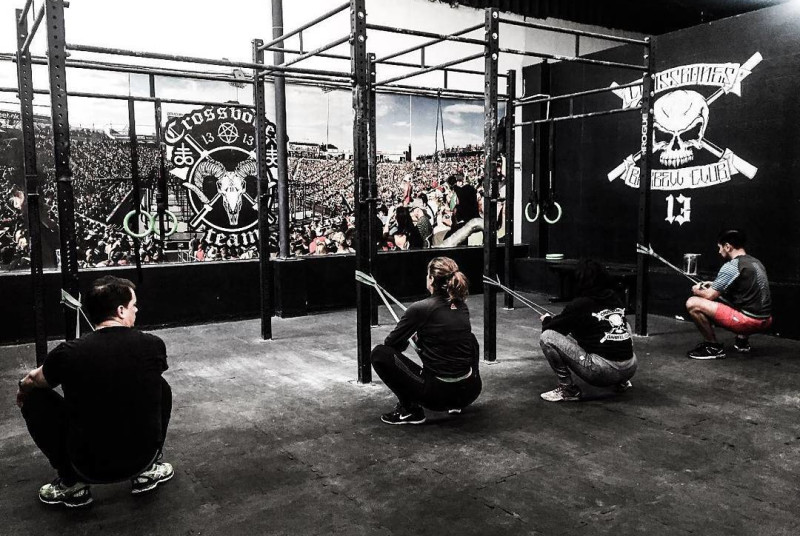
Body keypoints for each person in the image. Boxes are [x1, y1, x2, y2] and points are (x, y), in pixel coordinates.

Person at [16, 276, 173, 507]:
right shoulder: (153, 344)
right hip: (140, 459)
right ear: (121, 311)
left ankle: (72, 484)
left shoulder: (67, 353)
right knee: (160, 386)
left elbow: (32, 380)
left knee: (33, 397)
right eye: (133, 305)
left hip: (86, 466)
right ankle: (147, 471)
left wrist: (23, 389)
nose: (136, 310)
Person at [370, 257, 481, 424]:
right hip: (469, 392)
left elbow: (392, 345)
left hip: (436, 396)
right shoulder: (461, 305)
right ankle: (456, 403)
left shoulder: (420, 308)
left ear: (431, 279)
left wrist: (410, 338)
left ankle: (409, 410)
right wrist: (422, 340)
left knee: (380, 353)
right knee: (470, 338)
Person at [538, 259, 637, 402]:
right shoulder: (615, 298)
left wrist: (546, 319)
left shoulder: (579, 304)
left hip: (603, 372)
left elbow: (551, 328)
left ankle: (568, 389)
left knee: (547, 337)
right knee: (624, 325)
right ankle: (622, 382)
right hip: (631, 367)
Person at [685, 229, 772, 359]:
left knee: (693, 303)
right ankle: (742, 341)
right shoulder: (755, 262)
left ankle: (712, 347)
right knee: (741, 298)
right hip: (766, 320)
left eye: (720, 247)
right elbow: (742, 286)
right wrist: (714, 283)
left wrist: (696, 290)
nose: (719, 251)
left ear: (727, 246)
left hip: (749, 322)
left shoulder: (732, 265)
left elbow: (709, 296)